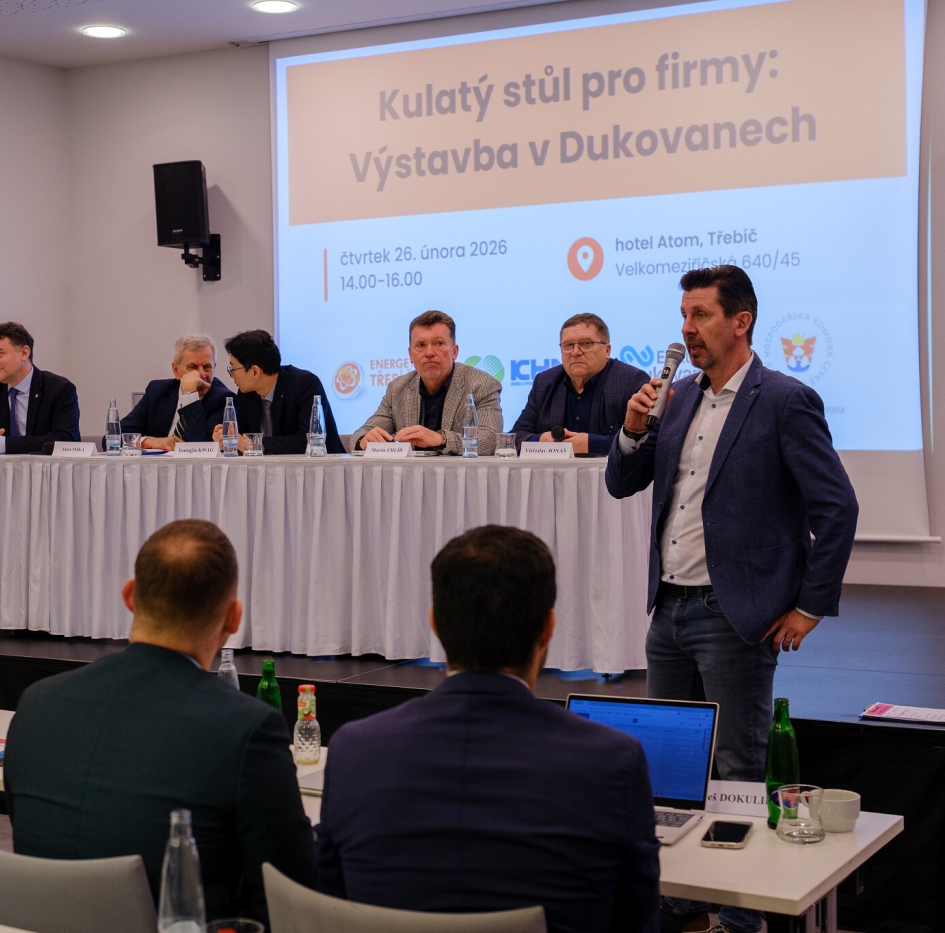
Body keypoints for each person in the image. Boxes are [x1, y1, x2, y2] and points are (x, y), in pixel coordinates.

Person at [605, 265, 857, 933]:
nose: (687, 328)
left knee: (740, 769)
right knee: (671, 768)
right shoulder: (676, 397)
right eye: (683, 316)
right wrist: (632, 428)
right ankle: (686, 897)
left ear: (741, 321)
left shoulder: (785, 400)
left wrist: (810, 604)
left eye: (701, 315)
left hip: (733, 614)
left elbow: (837, 506)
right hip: (668, 608)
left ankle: (744, 920)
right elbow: (622, 481)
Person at [315, 526, 659, 933]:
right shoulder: (611, 762)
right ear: (549, 627)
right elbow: (639, 921)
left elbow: (328, 906)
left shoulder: (354, 750)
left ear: (434, 623)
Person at [4, 519, 317, 923]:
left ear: (129, 596)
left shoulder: (37, 703)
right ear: (233, 618)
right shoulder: (247, 729)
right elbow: (291, 898)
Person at [350, 311, 501, 455]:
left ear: (454, 351)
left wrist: (441, 439)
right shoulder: (397, 389)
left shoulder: (482, 385)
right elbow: (360, 434)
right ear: (410, 354)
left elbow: (490, 439)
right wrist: (363, 441)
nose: (429, 353)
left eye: (439, 343)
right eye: (421, 345)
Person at [510, 313, 648, 455]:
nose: (575, 352)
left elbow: (648, 442)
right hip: (556, 469)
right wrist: (540, 441)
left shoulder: (631, 381)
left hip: (610, 469)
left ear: (607, 350)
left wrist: (592, 444)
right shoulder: (544, 382)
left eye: (586, 344)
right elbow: (516, 437)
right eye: (568, 345)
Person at [212, 329, 343, 454]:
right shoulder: (246, 394)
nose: (232, 375)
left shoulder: (305, 384)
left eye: (233, 369)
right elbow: (241, 439)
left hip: (322, 467)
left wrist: (254, 444)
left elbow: (307, 441)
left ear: (255, 371)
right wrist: (228, 439)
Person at [0, 321, 81, 454]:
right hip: (0, 468)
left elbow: (67, 440)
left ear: (24, 353)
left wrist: (3, 445)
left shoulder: (59, 388)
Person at [118, 334, 233, 450]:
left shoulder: (222, 399)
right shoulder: (157, 391)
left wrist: (190, 397)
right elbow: (116, 437)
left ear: (214, 367)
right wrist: (149, 442)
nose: (202, 375)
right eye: (193, 367)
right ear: (176, 370)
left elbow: (204, 449)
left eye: (207, 367)